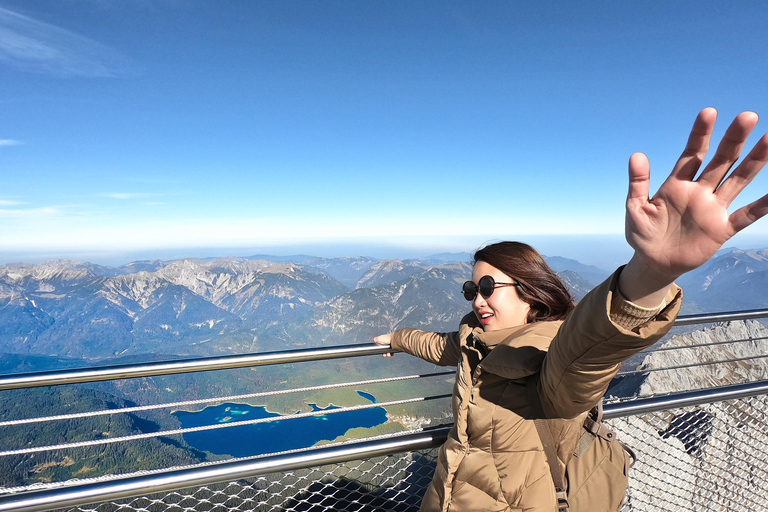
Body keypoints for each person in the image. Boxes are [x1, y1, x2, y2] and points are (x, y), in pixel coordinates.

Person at [373, 108, 768, 512]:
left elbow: (587, 352)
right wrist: (399, 339)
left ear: (529, 291)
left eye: (489, 287)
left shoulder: (551, 358)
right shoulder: (478, 340)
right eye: (472, 288)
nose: (477, 299)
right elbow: (446, 347)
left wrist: (649, 274)